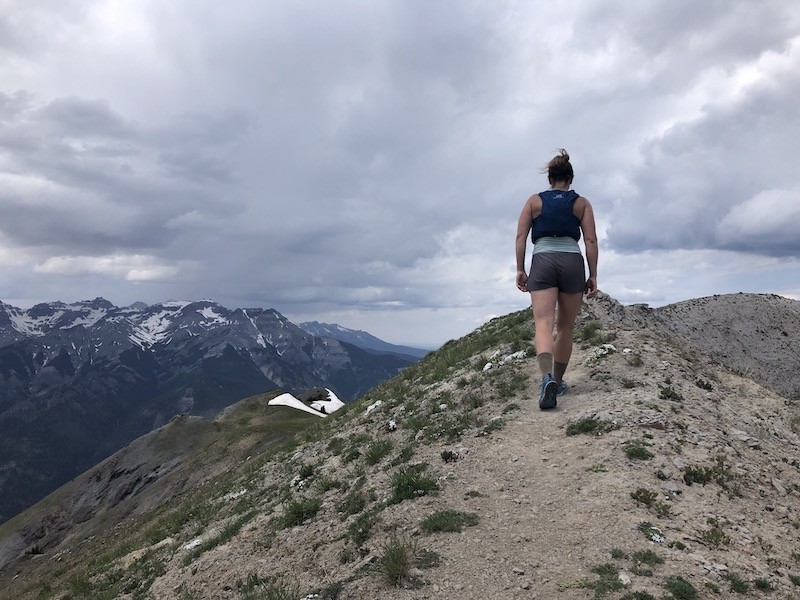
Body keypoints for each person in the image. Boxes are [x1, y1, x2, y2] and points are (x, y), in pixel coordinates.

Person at [515, 149, 598, 410]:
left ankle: (546, 379)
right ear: (570, 179)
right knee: (565, 327)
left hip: (543, 260)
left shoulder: (534, 202)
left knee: (543, 323)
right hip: (572, 261)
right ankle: (558, 382)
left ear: (549, 179)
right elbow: (591, 240)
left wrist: (520, 269)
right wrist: (593, 274)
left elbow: (520, 237)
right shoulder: (581, 203)